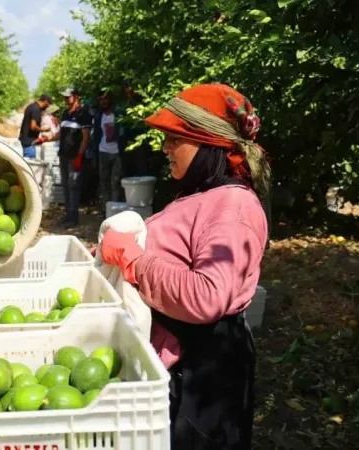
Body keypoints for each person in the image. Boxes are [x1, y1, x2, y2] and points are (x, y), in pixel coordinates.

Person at [98, 83, 271, 449]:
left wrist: (133, 259)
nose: (165, 149)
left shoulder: (233, 207)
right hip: (184, 364)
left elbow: (208, 295)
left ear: (210, 142)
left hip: (203, 373)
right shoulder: (202, 195)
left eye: (175, 139)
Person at [53, 88, 92, 227]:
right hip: (63, 155)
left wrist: (80, 156)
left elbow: (86, 137)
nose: (65, 99)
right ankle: (67, 215)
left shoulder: (83, 114)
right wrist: (45, 139)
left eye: (68, 97)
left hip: (74, 156)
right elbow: (59, 134)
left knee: (73, 186)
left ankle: (73, 219)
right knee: (66, 186)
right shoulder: (65, 114)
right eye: (64, 97)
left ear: (76, 97)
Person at [93, 91, 124, 212]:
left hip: (117, 153)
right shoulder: (98, 116)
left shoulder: (118, 114)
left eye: (105, 99)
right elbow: (96, 135)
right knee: (104, 182)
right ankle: (106, 210)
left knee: (115, 182)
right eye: (100, 99)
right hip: (102, 152)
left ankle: (115, 210)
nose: (103, 102)